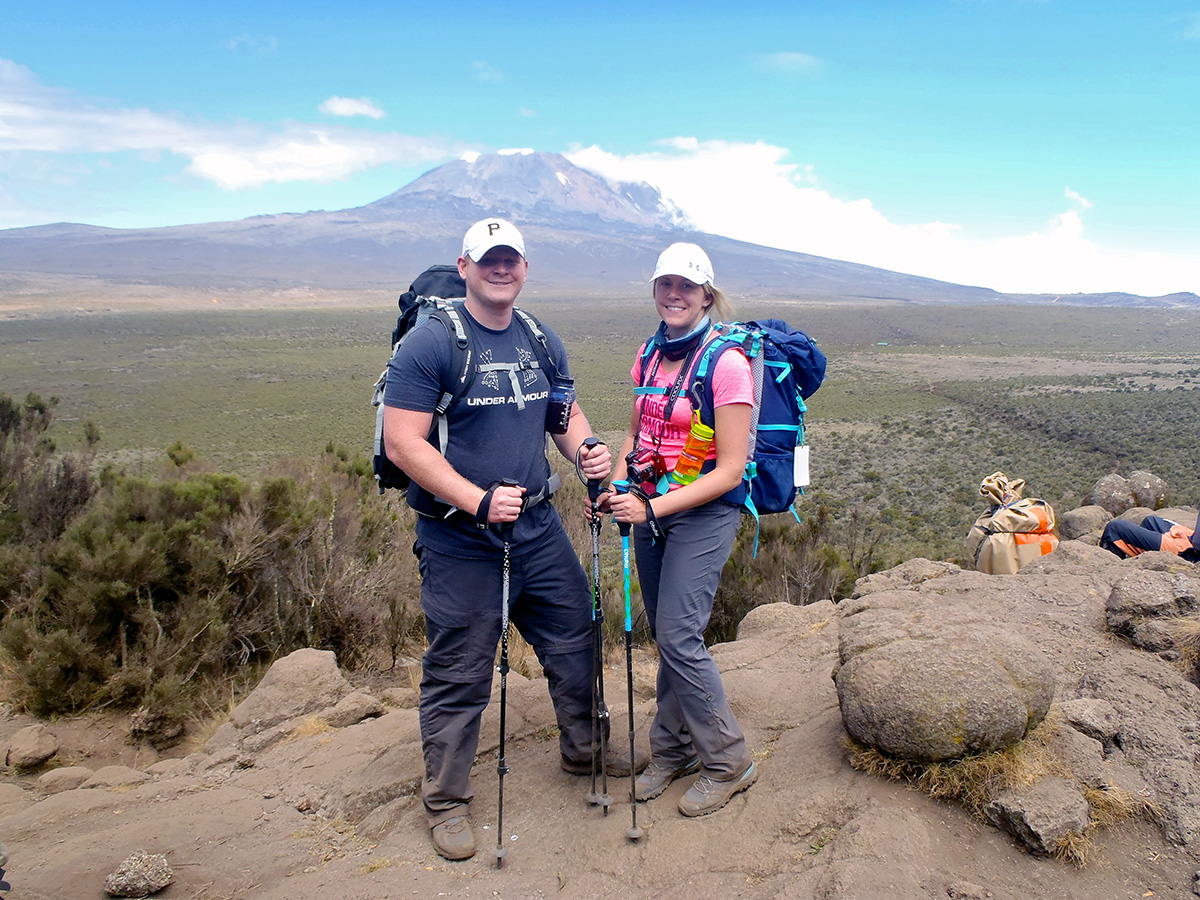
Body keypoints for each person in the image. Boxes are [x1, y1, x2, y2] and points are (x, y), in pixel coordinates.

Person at [382, 218, 643, 861]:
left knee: (576, 635)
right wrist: (474, 500)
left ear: (525, 269)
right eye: (489, 259)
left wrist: (584, 447)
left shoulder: (538, 337)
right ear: (465, 265)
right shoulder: (431, 344)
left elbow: (560, 410)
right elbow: (402, 441)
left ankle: (585, 752)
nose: (502, 269)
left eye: (513, 260)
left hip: (536, 527)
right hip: (459, 539)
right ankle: (445, 801)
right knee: (461, 669)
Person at [602, 242, 759, 817]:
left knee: (677, 635)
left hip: (701, 514)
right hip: (648, 510)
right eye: (665, 284)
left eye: (686, 287)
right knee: (668, 634)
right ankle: (672, 751)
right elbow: (636, 436)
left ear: (706, 295)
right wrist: (616, 486)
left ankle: (728, 761)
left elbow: (732, 469)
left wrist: (652, 510)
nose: (674, 294)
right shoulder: (648, 354)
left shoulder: (728, 364)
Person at [1100, 508, 1200, 562]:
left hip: (1190, 553)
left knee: (1114, 528)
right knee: (1150, 521)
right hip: (1191, 538)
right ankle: (1144, 559)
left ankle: (1115, 570)